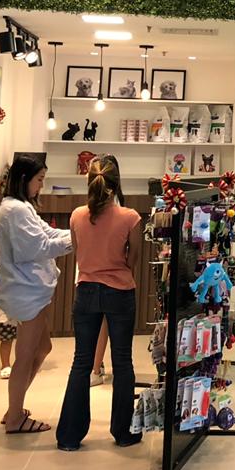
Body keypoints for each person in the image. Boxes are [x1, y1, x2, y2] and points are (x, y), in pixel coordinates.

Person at [55, 155, 143, 450]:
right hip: (120, 291)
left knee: (81, 362)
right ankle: (123, 432)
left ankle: (69, 436)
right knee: (123, 361)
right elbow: (132, 258)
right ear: (117, 183)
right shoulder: (130, 217)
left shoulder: (77, 215)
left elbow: (79, 254)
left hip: (86, 291)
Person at [0, 152, 72, 434]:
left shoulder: (20, 207)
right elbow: (39, 247)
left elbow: (46, 234)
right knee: (26, 355)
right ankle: (15, 416)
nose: (41, 185)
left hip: (30, 289)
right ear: (25, 178)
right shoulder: (15, 210)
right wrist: (78, 238)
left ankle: (14, 408)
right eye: (39, 180)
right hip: (25, 291)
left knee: (42, 348)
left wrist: (75, 233)